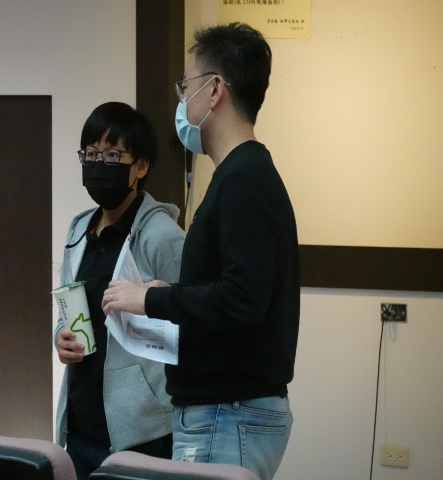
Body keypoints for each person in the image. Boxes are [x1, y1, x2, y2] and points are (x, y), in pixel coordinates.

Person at [102, 23, 300, 480]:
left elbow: (242, 298)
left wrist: (150, 298)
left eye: (185, 85)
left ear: (214, 90)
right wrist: (167, 291)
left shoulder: (243, 179)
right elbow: (233, 289)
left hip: (228, 413)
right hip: (224, 411)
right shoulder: (240, 175)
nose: (181, 99)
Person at [54, 102, 186, 479]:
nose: (99, 164)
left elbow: (192, 321)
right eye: (91, 154)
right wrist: (61, 336)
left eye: (112, 155)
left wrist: (151, 301)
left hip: (142, 431)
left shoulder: (163, 236)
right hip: (80, 422)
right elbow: (71, 306)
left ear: (141, 166)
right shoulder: (79, 229)